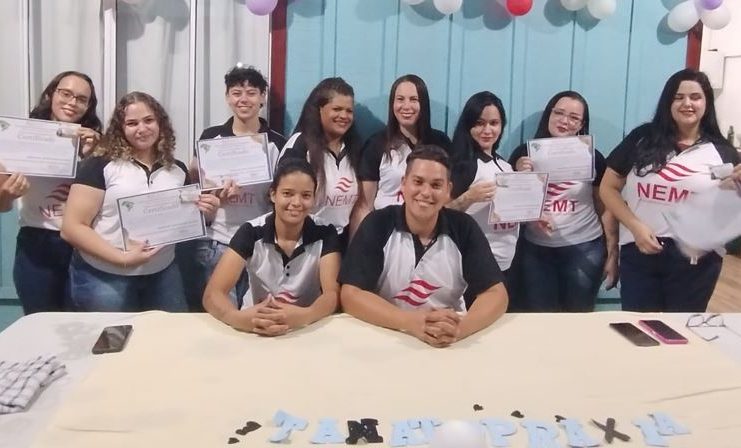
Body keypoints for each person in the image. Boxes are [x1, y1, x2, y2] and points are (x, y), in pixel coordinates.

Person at [61, 91, 218, 311]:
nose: (142, 129)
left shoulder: (178, 169)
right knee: (111, 333)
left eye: (148, 120)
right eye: (132, 123)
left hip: (162, 272)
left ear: (161, 123)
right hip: (105, 276)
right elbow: (71, 228)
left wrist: (207, 213)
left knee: (170, 331)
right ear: (120, 128)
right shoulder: (99, 165)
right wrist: (121, 258)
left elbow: (184, 222)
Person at [339, 146, 508, 348]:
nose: (426, 193)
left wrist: (459, 329)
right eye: (418, 182)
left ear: (448, 190)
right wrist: (409, 322)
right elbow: (350, 294)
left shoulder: (464, 228)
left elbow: (496, 294)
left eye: (436, 185)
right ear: (403, 184)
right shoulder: (378, 223)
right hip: (387, 333)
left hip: (446, 342)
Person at [600, 69, 739, 312]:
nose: (687, 103)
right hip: (640, 248)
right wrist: (635, 226)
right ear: (668, 102)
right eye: (678, 97)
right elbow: (608, 188)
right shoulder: (642, 138)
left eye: (695, 97)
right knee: (638, 327)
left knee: (682, 329)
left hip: (697, 259)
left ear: (706, 103)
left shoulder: (723, 151)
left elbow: (728, 207)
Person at [181, 65, 287, 310]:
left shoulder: (277, 143)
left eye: (251, 93)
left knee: (256, 312)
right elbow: (195, 187)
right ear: (228, 97)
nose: (243, 99)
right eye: (236, 93)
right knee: (220, 314)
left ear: (262, 97)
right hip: (218, 241)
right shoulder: (211, 138)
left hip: (260, 243)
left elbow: (282, 192)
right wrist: (214, 195)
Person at [0, 71, 102, 314]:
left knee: (83, 324)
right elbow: (2, 205)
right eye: (65, 93)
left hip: (86, 243)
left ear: (88, 106)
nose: (72, 102)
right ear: (50, 94)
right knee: (40, 321)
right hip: (38, 242)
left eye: (81, 99)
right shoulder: (18, 139)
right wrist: (8, 193)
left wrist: (96, 155)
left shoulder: (96, 143)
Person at [203, 158, 341, 336]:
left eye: (306, 195)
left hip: (305, 328)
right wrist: (238, 318)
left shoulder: (326, 232)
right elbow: (213, 294)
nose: (297, 202)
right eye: (288, 194)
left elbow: (332, 295)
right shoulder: (251, 231)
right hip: (255, 325)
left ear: (314, 198)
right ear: (273, 194)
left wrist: (306, 315)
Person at [508, 91, 618, 312]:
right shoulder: (524, 153)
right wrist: (519, 174)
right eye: (558, 113)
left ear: (582, 125)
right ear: (549, 115)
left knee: (578, 316)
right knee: (540, 317)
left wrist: (612, 251)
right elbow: (511, 206)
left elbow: (603, 205)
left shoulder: (593, 157)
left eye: (574, 117)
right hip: (536, 249)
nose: (564, 121)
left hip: (584, 247)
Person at [351, 74, 451, 234]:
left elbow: (448, 198)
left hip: (428, 233)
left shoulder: (441, 142)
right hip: (385, 232)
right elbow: (364, 205)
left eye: (413, 99)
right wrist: (357, 245)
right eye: (400, 99)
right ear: (392, 104)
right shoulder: (376, 144)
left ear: (423, 104)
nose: (406, 106)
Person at [447, 91, 519, 286]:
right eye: (479, 123)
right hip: (475, 263)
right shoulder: (464, 165)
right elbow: (439, 214)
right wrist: (469, 197)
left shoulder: (504, 165)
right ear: (468, 125)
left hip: (506, 261)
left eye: (494, 123)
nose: (487, 130)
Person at [280, 77, 362, 246]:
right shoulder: (300, 145)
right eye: (337, 109)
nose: (344, 116)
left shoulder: (355, 149)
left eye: (349, 111)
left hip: (342, 243)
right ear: (319, 110)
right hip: (304, 243)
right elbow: (285, 200)